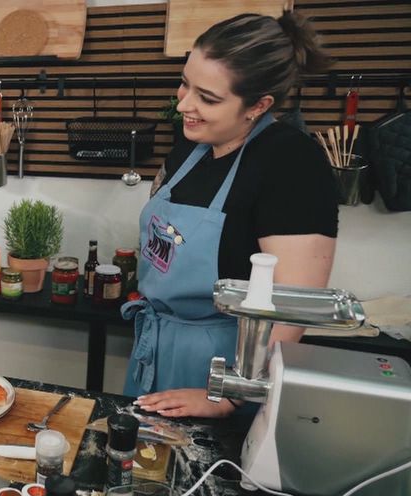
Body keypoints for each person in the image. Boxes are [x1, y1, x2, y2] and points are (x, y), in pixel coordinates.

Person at [125, 12, 338, 418]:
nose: (183, 104)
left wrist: (230, 395)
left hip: (227, 366)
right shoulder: (191, 147)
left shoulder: (290, 162)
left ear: (258, 105)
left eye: (207, 98)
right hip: (156, 347)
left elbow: (294, 305)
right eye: (185, 83)